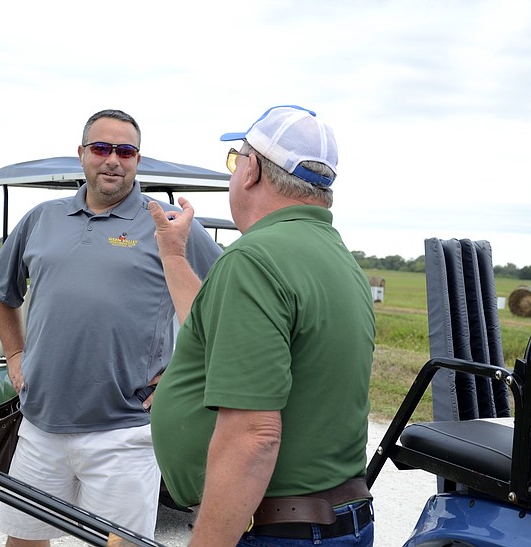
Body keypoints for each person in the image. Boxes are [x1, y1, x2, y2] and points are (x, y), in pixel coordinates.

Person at [0, 109, 223, 546]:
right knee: (24, 542)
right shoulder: (42, 219)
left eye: (125, 151)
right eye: (101, 148)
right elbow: (1, 290)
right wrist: (15, 355)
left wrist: (184, 376)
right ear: (82, 155)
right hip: (40, 424)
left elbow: (228, 303)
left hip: (125, 432)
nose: (113, 159)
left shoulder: (168, 224)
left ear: (137, 160)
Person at [148, 105, 376, 547]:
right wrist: (174, 256)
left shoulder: (254, 260)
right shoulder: (338, 258)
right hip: (334, 520)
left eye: (235, 159)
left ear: (250, 169)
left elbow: (254, 435)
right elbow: (225, 339)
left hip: (277, 530)